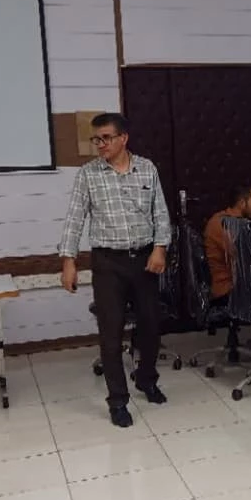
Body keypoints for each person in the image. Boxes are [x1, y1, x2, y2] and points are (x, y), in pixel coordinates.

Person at [59, 113, 172, 428]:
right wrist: (68, 262)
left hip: (144, 259)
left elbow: (160, 213)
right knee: (110, 334)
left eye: (106, 138)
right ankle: (118, 400)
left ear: (124, 138)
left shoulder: (147, 168)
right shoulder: (88, 175)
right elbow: (74, 219)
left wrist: (160, 247)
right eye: (96, 139)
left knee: (150, 326)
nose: (100, 144)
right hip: (108, 263)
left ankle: (146, 380)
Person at [203, 185, 251, 305]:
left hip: (239, 288)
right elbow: (246, 262)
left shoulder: (231, 222)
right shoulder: (224, 224)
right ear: (242, 203)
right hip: (228, 293)